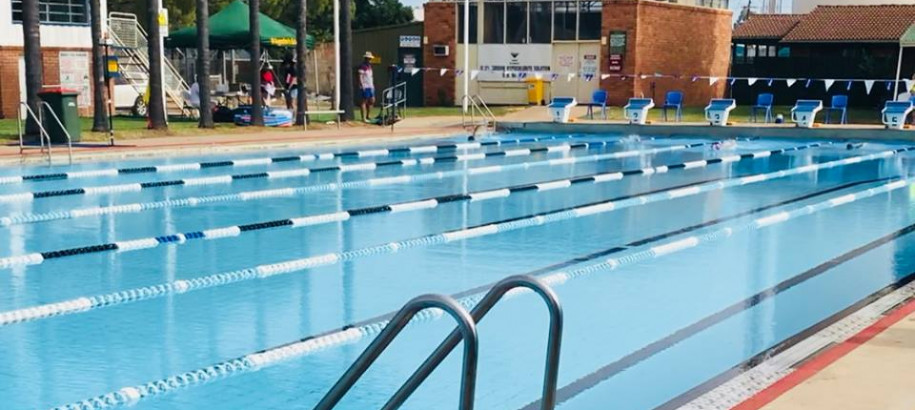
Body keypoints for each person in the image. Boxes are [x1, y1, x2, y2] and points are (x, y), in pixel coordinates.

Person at [358, 51, 376, 122]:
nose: (370, 60)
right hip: (365, 86)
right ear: (366, 58)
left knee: (372, 100)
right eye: (368, 58)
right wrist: (362, 85)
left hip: (370, 86)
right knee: (364, 101)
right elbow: (360, 76)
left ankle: (368, 116)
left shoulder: (369, 67)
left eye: (370, 59)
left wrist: (372, 85)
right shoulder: (363, 66)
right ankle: (363, 118)